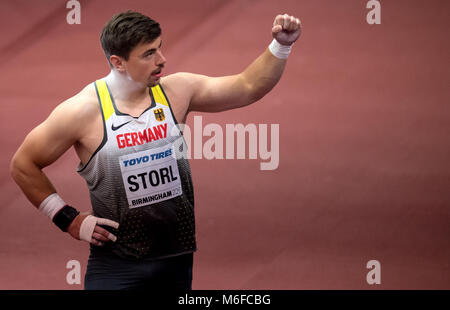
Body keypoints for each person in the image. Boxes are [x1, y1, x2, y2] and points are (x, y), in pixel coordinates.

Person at [10, 11, 301, 290]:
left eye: (159, 48)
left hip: (176, 259)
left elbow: (247, 86)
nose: (162, 60)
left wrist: (281, 45)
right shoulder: (83, 111)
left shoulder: (176, 92)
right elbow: (23, 164)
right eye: (149, 54)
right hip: (117, 265)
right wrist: (67, 218)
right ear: (118, 62)